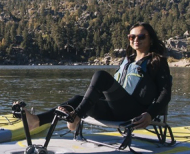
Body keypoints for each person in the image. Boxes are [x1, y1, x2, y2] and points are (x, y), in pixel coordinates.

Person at [24, 22, 172, 131]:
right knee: (77, 100)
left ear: (150, 39)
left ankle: (76, 116)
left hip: (134, 113)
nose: (136, 39)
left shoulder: (157, 62)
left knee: (101, 76)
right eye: (132, 36)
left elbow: (165, 94)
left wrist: (150, 115)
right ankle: (37, 120)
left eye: (141, 36)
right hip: (114, 110)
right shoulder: (127, 61)